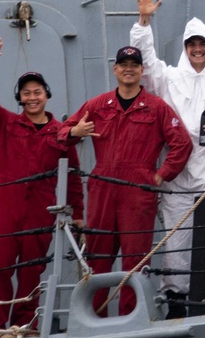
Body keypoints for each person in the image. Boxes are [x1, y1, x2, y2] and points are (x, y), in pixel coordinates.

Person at [58, 44, 192, 316]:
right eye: (124, 64)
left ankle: (131, 318)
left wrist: (159, 175)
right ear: (115, 69)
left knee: (135, 261)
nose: (129, 68)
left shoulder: (156, 108)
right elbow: (61, 135)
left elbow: (182, 144)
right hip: (102, 190)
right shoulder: (97, 105)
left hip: (137, 191)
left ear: (142, 71)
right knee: (98, 258)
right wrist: (76, 130)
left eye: (134, 64)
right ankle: (94, 319)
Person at [0, 37, 84, 338]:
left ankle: (25, 326)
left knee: (31, 272)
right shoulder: (4, 124)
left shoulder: (62, 134)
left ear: (47, 95)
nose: (32, 97)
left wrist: (78, 215)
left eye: (37, 91)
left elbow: (72, 177)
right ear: (19, 98)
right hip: (4, 211)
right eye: (26, 93)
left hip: (40, 213)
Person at [129, 0, 205, 318]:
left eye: (202, 44)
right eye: (192, 45)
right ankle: (176, 303)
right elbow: (148, 64)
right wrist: (143, 24)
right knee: (175, 246)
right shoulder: (171, 80)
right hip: (177, 182)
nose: (197, 50)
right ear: (186, 49)